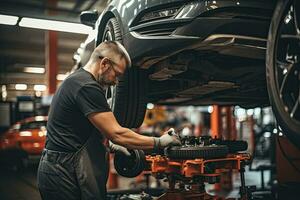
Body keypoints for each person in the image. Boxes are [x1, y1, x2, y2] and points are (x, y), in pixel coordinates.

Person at [37, 41, 181, 200]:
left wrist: (110, 145)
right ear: (104, 63)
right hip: (62, 172)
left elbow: (78, 131)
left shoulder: (78, 81)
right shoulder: (86, 86)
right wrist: (159, 142)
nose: (116, 82)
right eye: (117, 74)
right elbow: (117, 133)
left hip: (62, 167)